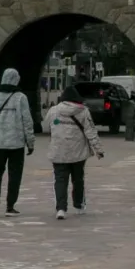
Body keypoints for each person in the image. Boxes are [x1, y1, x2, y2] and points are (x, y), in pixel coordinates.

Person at [43, 86, 104, 220]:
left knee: (60, 180)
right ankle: (79, 206)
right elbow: (91, 131)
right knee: (78, 179)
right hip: (78, 152)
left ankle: (60, 209)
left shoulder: (53, 111)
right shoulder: (83, 111)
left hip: (58, 151)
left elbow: (47, 127)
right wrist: (98, 149)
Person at [0, 68, 34, 217]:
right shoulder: (20, 98)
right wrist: (30, 142)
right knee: (15, 174)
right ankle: (10, 206)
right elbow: (27, 122)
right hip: (16, 143)